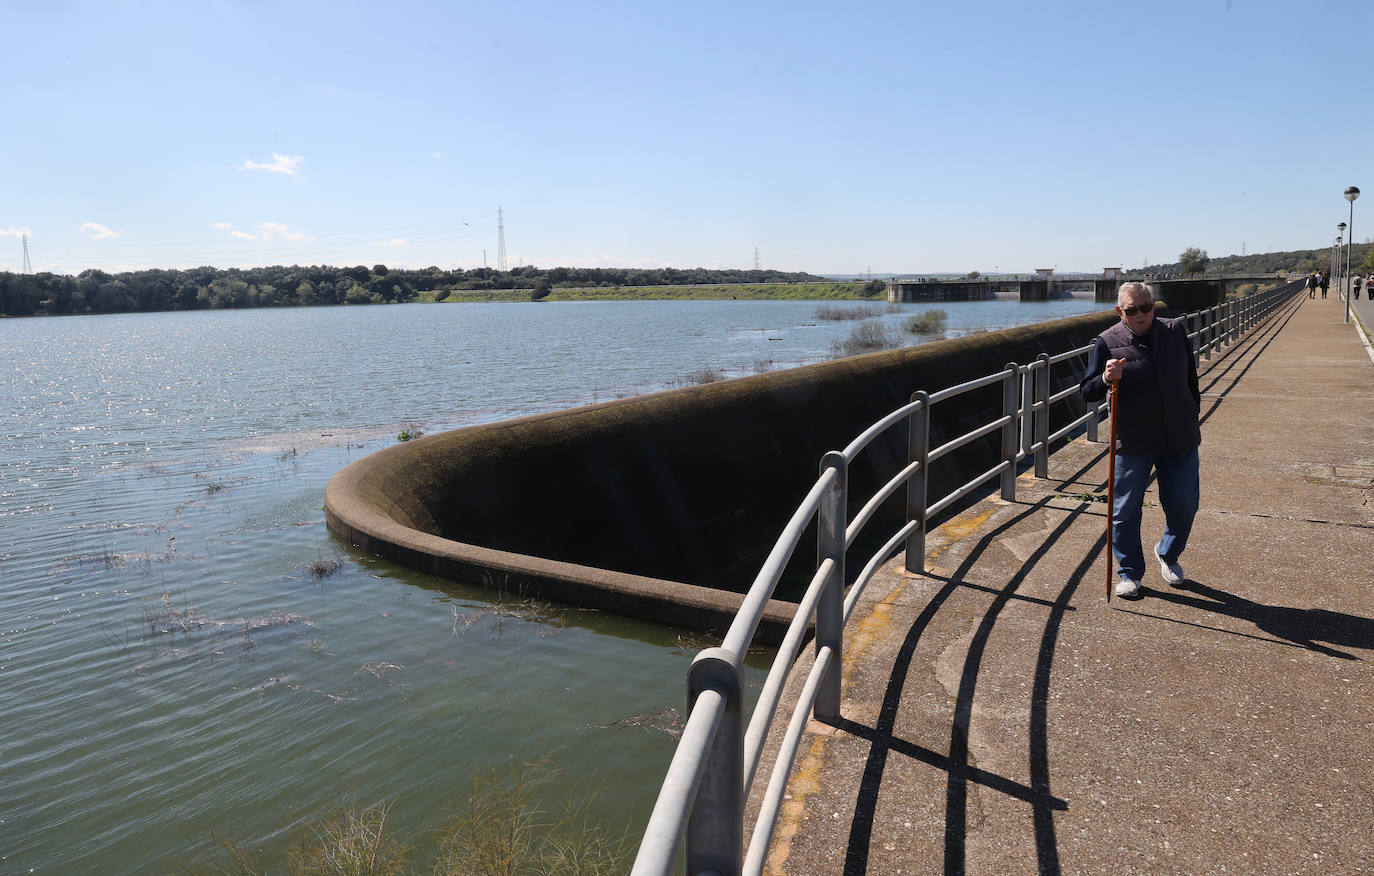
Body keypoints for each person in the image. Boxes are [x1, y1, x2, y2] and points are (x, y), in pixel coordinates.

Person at [1081, 282, 1201, 598]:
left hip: (1179, 436)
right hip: (1133, 439)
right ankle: (1130, 572)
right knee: (1125, 510)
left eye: (1145, 307)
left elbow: (1191, 380)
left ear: (1154, 305)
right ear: (1120, 311)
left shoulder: (1176, 331)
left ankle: (1167, 553)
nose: (1140, 315)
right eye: (1132, 310)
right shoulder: (1107, 342)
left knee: (1184, 505)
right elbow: (1087, 391)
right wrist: (1106, 378)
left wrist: (1190, 413)